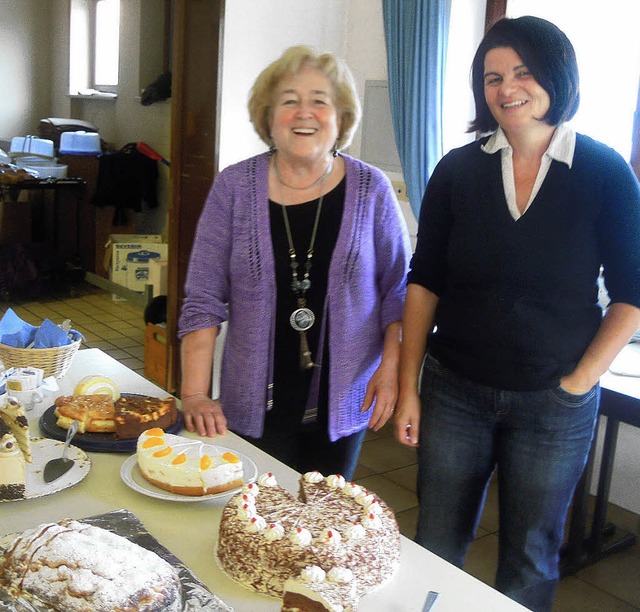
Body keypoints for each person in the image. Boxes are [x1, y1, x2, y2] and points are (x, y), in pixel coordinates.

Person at [394, 15, 640, 612]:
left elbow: (632, 295)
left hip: (552, 406)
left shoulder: (605, 173)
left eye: (523, 72)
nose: (506, 88)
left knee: (530, 556)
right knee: (436, 541)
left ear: (558, 76)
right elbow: (424, 283)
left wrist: (578, 383)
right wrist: (409, 388)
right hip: (455, 391)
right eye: (492, 76)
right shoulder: (457, 170)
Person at [179, 45, 410, 481]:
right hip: (253, 405)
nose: (305, 113)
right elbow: (203, 299)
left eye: (320, 101)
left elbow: (398, 291)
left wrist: (392, 372)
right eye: (289, 100)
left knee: (325, 526)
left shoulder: (372, 190)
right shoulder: (233, 187)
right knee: (257, 522)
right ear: (267, 117)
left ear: (340, 116)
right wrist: (194, 394)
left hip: (345, 402)